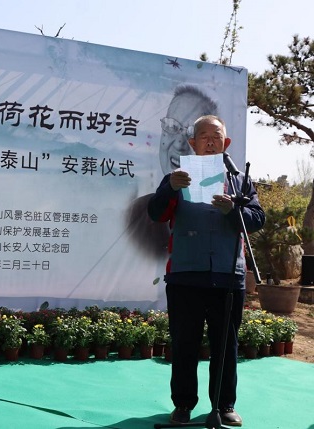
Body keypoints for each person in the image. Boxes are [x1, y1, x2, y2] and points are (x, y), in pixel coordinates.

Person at [147, 115, 265, 427]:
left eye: (216, 136)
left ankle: (224, 405)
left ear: (226, 143)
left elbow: (257, 219)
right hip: (186, 276)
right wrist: (170, 189)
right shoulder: (176, 177)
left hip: (228, 277)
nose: (210, 141)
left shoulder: (239, 181)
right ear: (192, 143)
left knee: (225, 346)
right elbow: (156, 213)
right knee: (184, 343)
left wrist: (233, 209)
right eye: (203, 136)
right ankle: (183, 404)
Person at [126, 85, 219, 260]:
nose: (179, 144)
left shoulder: (226, 189)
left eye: (192, 133)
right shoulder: (136, 212)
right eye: (172, 126)